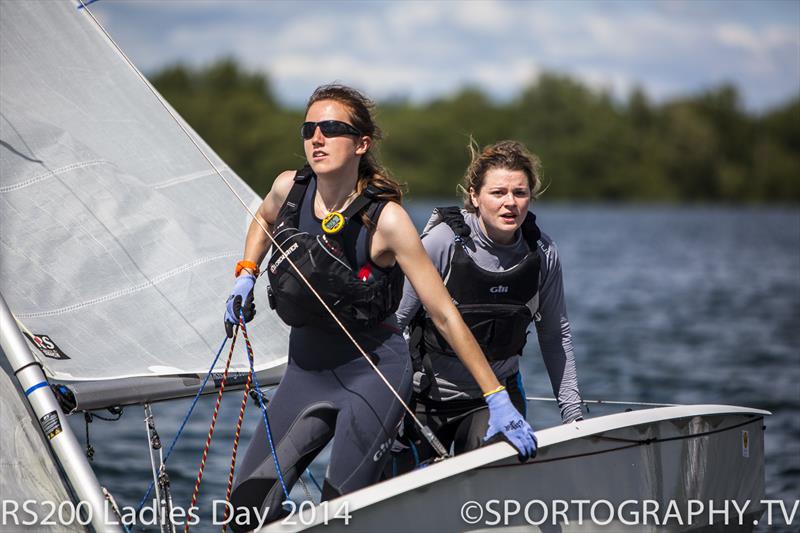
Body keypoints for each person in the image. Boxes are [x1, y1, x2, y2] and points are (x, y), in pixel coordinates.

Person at [223, 85, 535, 530]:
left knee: (340, 516)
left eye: (331, 129)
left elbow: (444, 314)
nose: (317, 138)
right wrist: (246, 274)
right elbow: (263, 216)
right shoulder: (289, 186)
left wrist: (497, 397)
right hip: (304, 374)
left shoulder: (387, 220)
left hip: (373, 378)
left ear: (361, 144)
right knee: (242, 515)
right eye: (308, 128)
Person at [389, 139, 583, 475]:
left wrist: (573, 417)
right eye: (498, 193)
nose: (510, 203)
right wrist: (383, 405)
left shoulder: (542, 253)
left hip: (495, 403)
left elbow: (554, 336)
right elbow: (394, 324)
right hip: (423, 400)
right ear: (475, 196)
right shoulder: (441, 243)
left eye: (520, 193)